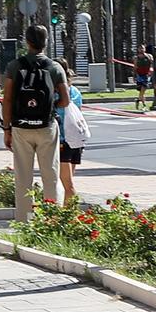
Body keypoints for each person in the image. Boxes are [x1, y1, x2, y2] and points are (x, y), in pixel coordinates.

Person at [1, 25, 70, 222]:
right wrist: (50, 106)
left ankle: (25, 220)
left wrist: (7, 129)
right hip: (46, 126)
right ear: (46, 42)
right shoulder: (55, 67)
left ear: (27, 42)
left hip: (21, 127)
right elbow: (65, 100)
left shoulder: (15, 66)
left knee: (23, 177)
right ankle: (51, 219)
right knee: (51, 175)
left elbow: (7, 99)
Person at [56, 56, 89, 205]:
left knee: (68, 186)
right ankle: (66, 211)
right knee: (68, 182)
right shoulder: (75, 91)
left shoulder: (57, 93)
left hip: (63, 141)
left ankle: (70, 216)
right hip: (76, 139)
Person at [133, 45, 155, 110]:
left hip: (146, 75)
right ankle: (143, 104)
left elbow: (152, 64)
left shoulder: (149, 56)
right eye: (140, 48)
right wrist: (134, 76)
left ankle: (138, 101)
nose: (141, 50)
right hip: (139, 75)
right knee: (141, 91)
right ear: (138, 49)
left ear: (145, 49)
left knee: (143, 89)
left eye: (142, 48)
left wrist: (152, 72)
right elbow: (135, 67)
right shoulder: (136, 58)